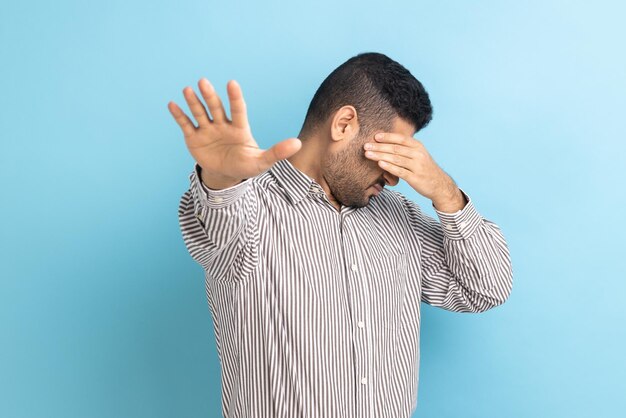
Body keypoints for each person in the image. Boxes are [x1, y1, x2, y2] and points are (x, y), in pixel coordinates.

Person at [168, 52, 513, 418]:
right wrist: (220, 177)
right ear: (344, 124)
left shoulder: (401, 217)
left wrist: (445, 192)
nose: (395, 177)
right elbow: (217, 222)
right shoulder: (250, 208)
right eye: (390, 152)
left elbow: (485, 288)